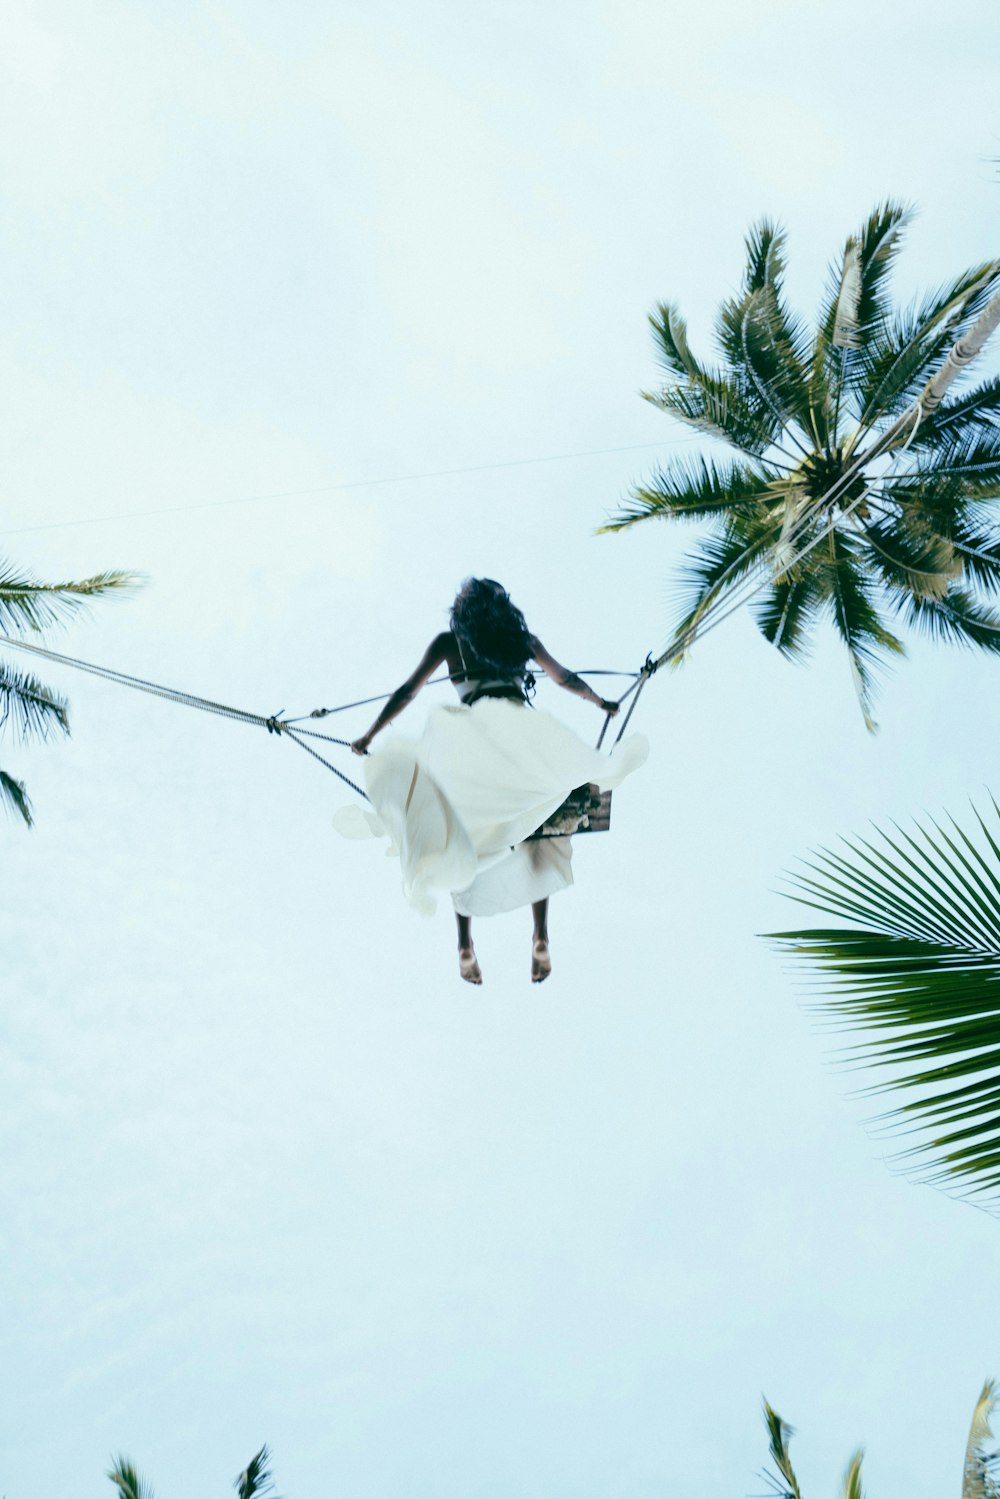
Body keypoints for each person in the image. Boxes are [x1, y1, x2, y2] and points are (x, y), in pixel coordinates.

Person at [333, 578, 648, 984]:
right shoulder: (523, 641)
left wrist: (370, 735)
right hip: (521, 734)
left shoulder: (449, 643)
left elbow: (407, 693)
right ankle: (541, 935)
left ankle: (464, 942)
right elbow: (565, 678)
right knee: (543, 824)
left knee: (456, 836)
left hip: (473, 737)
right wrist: (600, 701)